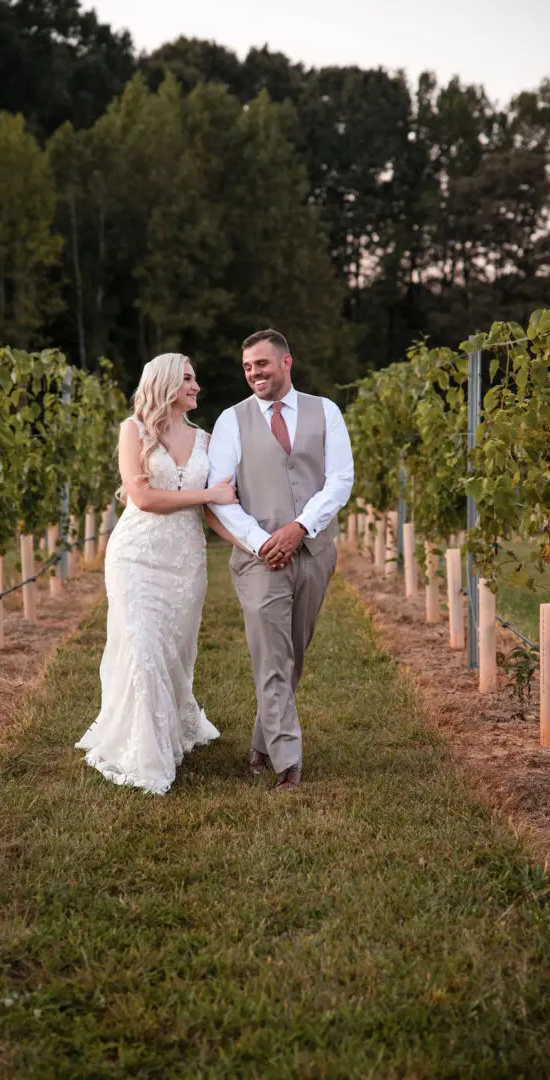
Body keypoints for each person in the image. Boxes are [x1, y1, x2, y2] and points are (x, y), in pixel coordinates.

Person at [75, 353, 238, 795]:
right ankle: (143, 755)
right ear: (165, 381)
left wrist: (252, 545)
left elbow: (216, 509)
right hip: (136, 557)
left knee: (173, 653)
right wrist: (210, 492)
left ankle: (169, 731)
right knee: (142, 647)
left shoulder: (206, 440)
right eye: (187, 378)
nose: (196, 386)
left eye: (196, 378)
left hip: (186, 562)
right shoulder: (135, 430)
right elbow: (142, 498)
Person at [207, 329, 354, 793]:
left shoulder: (325, 411)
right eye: (248, 367)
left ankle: (262, 744)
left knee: (293, 656)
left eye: (263, 365)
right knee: (271, 657)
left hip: (314, 552)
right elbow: (221, 494)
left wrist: (299, 529)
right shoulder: (231, 421)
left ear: (286, 362)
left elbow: (340, 480)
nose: (254, 374)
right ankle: (287, 761)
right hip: (258, 560)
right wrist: (261, 541)